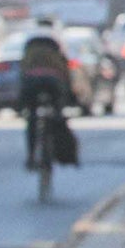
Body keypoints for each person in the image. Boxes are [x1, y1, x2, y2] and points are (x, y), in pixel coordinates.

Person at [17, 23, 78, 170]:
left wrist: (21, 103)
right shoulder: (56, 49)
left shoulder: (29, 50)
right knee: (57, 115)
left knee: (32, 118)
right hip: (53, 82)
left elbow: (22, 75)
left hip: (32, 83)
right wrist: (69, 96)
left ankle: (31, 157)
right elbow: (65, 74)